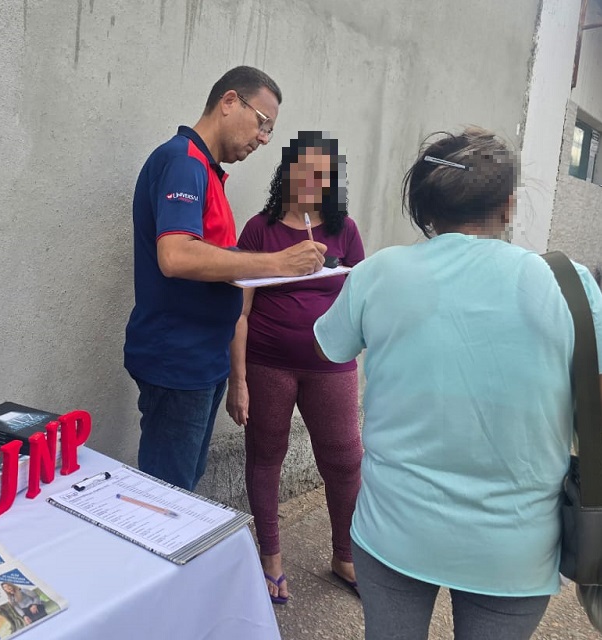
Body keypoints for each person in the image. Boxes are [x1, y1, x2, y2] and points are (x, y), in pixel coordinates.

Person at [313, 127, 602, 639]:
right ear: (509, 206)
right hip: (515, 549)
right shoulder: (570, 284)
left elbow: (328, 346)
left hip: (395, 530)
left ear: (425, 208)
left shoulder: (378, 273)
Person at [124, 66, 328, 491]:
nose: (264, 139)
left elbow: (213, 260)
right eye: (263, 123)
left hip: (202, 359)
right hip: (177, 360)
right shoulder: (183, 162)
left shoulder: (207, 171)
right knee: (168, 497)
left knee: (184, 489)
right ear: (230, 102)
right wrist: (277, 263)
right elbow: (176, 256)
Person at [227, 132, 364, 605]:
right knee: (266, 455)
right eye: (303, 170)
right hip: (268, 363)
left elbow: (359, 297)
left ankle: (345, 555)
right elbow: (239, 311)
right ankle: (271, 559)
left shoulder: (343, 231)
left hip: (331, 365)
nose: (311, 181)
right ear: (285, 173)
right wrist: (238, 380)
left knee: (345, 460)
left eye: (322, 175)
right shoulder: (258, 231)